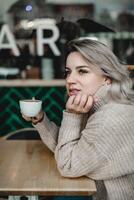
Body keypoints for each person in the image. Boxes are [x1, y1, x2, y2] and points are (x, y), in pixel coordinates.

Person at [22, 38, 134, 200]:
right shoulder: (98, 105)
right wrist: (40, 120)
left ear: (106, 77)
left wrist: (73, 115)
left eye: (82, 71)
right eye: (68, 72)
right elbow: (68, 149)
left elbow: (67, 165)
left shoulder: (111, 116)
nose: (70, 80)